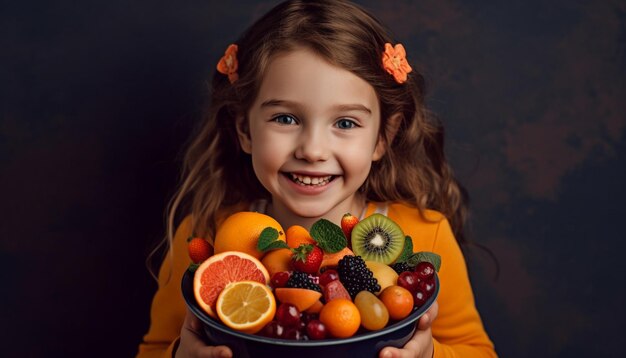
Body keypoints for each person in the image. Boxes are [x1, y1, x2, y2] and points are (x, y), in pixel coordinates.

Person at [138, 0, 496, 357]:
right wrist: (178, 354)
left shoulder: (425, 233)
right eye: (285, 118)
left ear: (383, 137)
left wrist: (430, 354)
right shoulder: (204, 236)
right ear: (244, 129)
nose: (312, 150)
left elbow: (477, 350)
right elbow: (152, 349)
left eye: (345, 123)